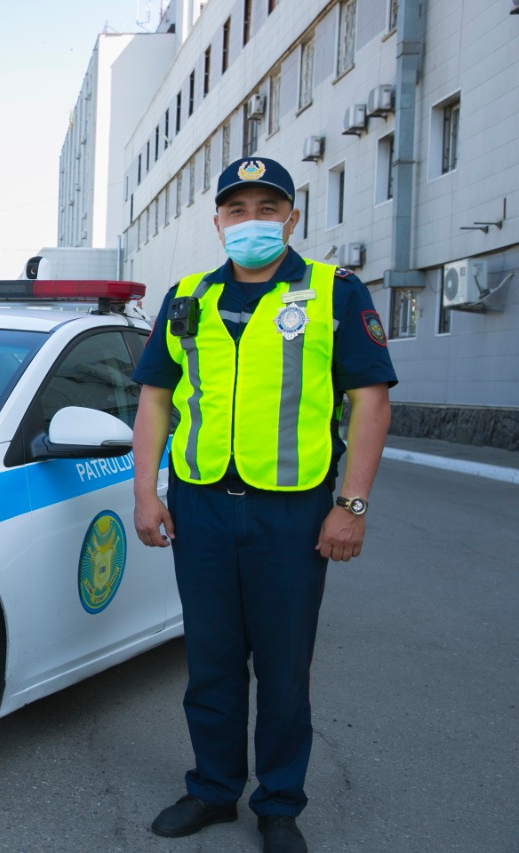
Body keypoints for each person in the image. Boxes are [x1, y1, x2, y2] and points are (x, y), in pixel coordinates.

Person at [130, 158, 397, 853]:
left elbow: (370, 400)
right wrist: (146, 492)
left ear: (291, 217)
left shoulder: (332, 291)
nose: (253, 220)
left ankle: (279, 802)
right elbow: (155, 397)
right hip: (202, 507)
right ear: (218, 220)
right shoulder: (185, 296)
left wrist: (353, 505)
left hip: (292, 512)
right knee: (213, 660)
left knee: (283, 665)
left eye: (268, 207)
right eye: (238, 208)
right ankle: (214, 790)